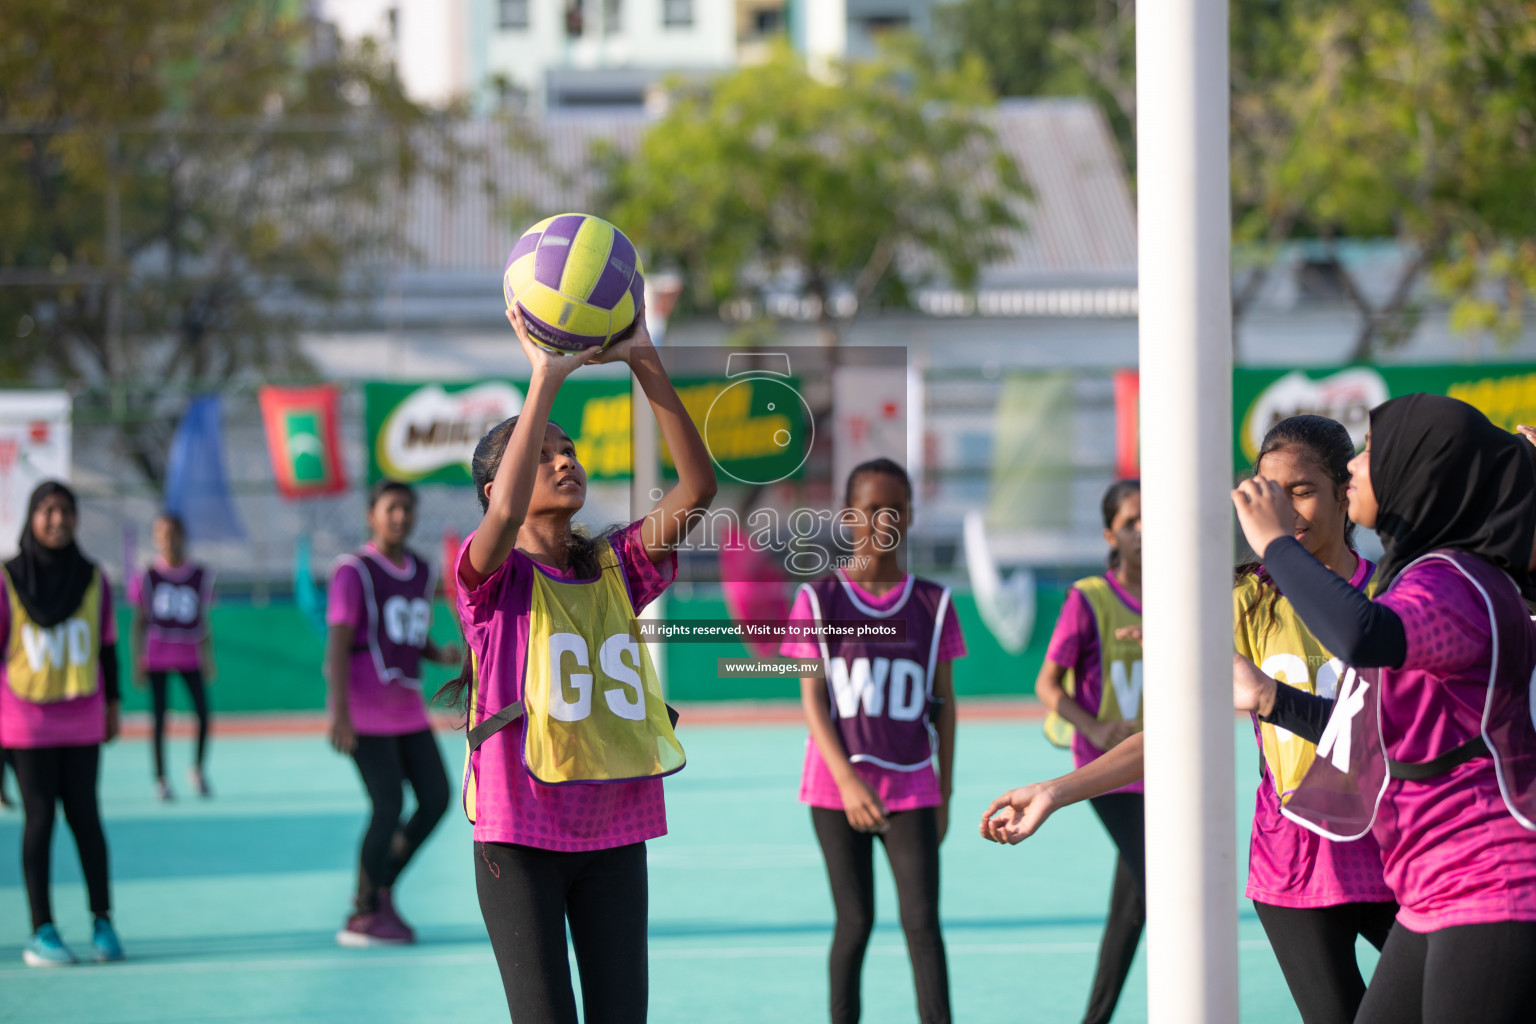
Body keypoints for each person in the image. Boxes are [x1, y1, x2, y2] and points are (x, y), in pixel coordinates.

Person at [443, 303, 716, 1023]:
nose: (564, 459)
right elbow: (502, 521)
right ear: (492, 490)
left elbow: (697, 490)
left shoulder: (615, 566)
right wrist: (544, 374)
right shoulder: (488, 579)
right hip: (520, 836)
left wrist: (644, 357)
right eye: (541, 455)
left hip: (614, 827)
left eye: (569, 451)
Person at [1230, 394, 1536, 1024]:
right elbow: (1358, 738)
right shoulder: (1431, 575)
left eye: (1371, 451)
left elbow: (1363, 633)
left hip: (1488, 877)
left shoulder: (1452, 583)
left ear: (1415, 473)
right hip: (1432, 882)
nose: (1356, 467)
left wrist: (1272, 542)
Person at [786, 457, 964, 1024]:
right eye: (869, 508)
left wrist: (947, 793)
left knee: (923, 923)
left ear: (909, 518)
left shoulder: (933, 605)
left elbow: (946, 707)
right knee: (855, 922)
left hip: (912, 785)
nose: (882, 519)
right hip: (836, 788)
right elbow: (813, 700)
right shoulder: (819, 601)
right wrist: (845, 780)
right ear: (848, 516)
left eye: (895, 509)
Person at [326, 479, 458, 947]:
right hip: (364, 712)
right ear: (372, 515)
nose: (400, 516)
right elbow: (338, 645)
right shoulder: (353, 571)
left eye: (407, 508)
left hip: (407, 711)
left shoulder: (421, 570)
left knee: (438, 797)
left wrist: (439, 654)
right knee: (387, 804)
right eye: (391, 508)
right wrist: (338, 712)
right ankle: (362, 911)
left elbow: (408, 633)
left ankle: (382, 888)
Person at [1033, 479, 1144, 1024]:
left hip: (1167, 767)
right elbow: (1048, 685)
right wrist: (1095, 729)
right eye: (1130, 523)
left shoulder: (1184, 597)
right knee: (1158, 880)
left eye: (1152, 518)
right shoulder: (1090, 598)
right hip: (1110, 774)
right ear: (1110, 534)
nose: (1143, 531)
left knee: (1134, 902)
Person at [1, 481, 124, 966]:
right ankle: (43, 930)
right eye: (47, 511)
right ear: (31, 518)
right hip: (25, 723)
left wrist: (113, 705)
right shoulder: (8, 578)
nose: (57, 520)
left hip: (81, 719)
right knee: (40, 820)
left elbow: (108, 646)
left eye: (66, 511)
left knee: (87, 820)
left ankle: (103, 921)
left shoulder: (93, 578)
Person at [132, 512, 215, 800]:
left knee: (204, 713)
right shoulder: (149, 576)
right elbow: (139, 621)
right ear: (156, 538)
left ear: (182, 536)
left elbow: (203, 621)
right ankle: (161, 778)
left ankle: (198, 769)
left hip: (189, 654)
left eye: (172, 533)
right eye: (162, 534)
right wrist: (137, 661)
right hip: (157, 655)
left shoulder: (200, 575)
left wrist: (208, 657)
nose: (168, 540)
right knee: (158, 719)